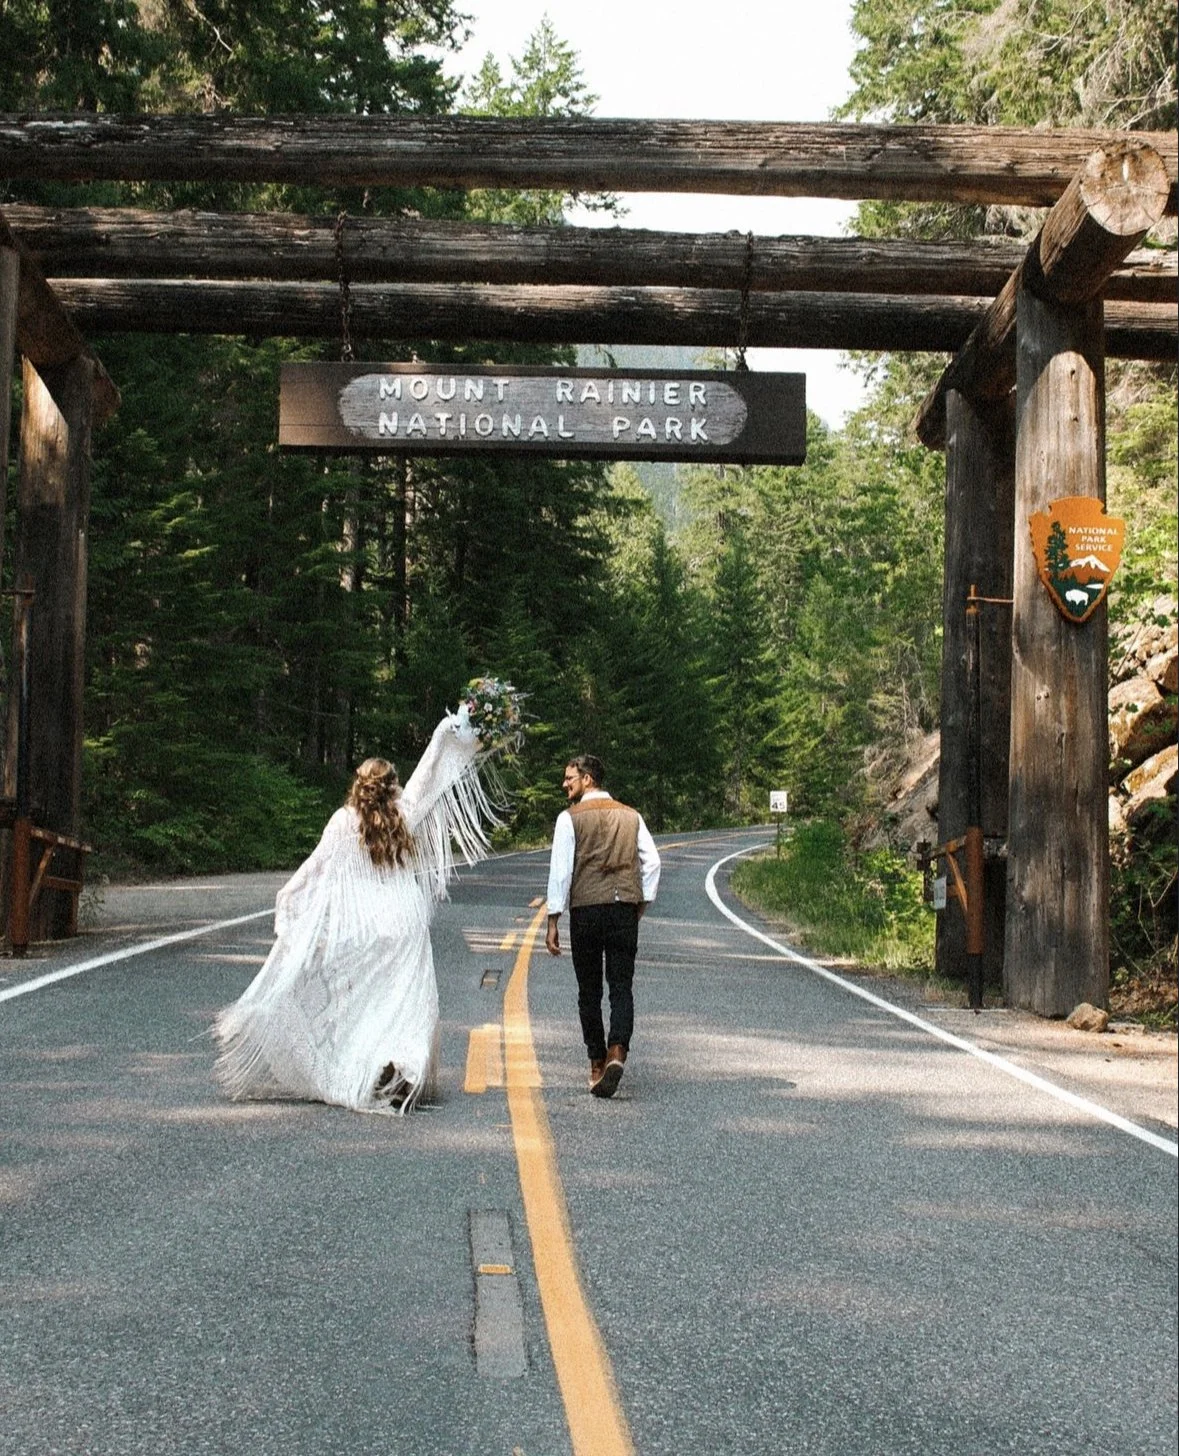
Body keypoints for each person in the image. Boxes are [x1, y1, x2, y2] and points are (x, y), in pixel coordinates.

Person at [213, 704, 502, 1115]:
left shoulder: (341, 821)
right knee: (407, 999)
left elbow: (315, 868)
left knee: (367, 999)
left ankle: (369, 1064)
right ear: (391, 786)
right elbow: (429, 774)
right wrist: (444, 732)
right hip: (404, 920)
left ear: (359, 785)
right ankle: (404, 1067)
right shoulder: (405, 815)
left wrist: (288, 897)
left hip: (362, 924)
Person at [545, 754, 660, 1098]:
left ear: (588, 778)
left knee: (589, 991)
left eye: (570, 778)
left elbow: (561, 872)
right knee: (621, 986)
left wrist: (553, 919)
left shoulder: (569, 819)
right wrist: (641, 903)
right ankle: (618, 1051)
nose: (565, 783)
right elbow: (652, 863)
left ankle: (596, 1063)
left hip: (587, 910)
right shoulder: (631, 815)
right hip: (623, 907)